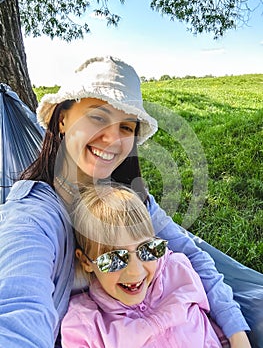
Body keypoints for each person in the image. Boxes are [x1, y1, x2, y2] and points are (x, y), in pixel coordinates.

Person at [0, 56, 250, 348]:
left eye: (126, 127)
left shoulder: (131, 199)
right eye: (97, 117)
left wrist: (236, 331)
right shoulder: (32, 216)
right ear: (63, 118)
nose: (112, 139)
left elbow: (191, 255)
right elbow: (17, 307)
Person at [61, 184, 225, 348]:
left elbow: (211, 326)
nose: (135, 271)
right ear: (86, 262)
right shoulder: (85, 326)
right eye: (114, 258)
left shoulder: (177, 272)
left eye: (146, 249)